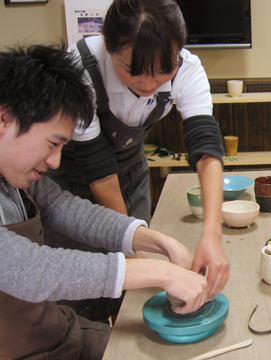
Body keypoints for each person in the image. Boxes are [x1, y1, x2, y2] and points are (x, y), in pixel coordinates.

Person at [0, 44, 209, 360]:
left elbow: (67, 210)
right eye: (52, 144)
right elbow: (31, 269)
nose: (56, 161)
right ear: (4, 119)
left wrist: (160, 242)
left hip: (54, 331)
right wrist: (163, 274)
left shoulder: (15, 175)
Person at [45, 0, 229, 322]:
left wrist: (212, 234)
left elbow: (206, 149)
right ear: (107, 45)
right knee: (86, 291)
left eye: (163, 71)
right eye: (132, 70)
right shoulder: (80, 68)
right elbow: (98, 169)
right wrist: (133, 251)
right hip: (73, 183)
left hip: (131, 170)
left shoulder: (187, 68)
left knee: (135, 290)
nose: (148, 84)